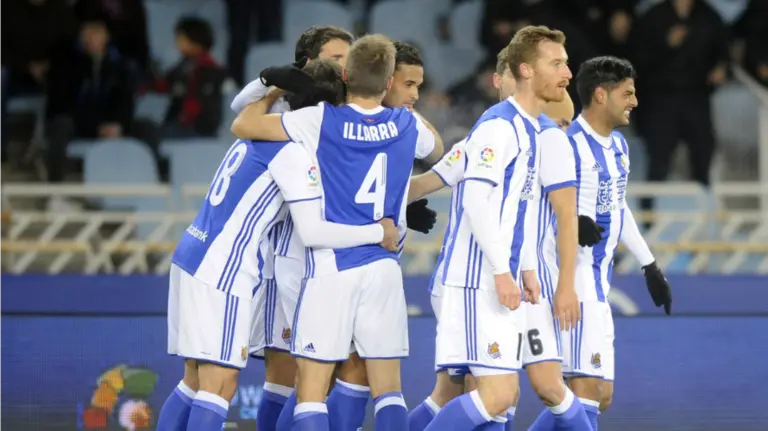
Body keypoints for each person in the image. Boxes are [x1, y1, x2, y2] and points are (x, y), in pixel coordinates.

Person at [155, 59, 401, 431]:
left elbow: (241, 108)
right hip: (222, 270)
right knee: (219, 384)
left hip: (191, 254)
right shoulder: (293, 153)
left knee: (194, 380)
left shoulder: (262, 124)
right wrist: (376, 232)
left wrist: (268, 85)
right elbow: (315, 231)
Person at [230, 35, 441, 431]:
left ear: (345, 75)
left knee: (311, 387)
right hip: (384, 266)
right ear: (389, 82)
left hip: (331, 266)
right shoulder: (406, 122)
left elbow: (243, 124)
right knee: (389, 390)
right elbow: (437, 148)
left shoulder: (321, 120)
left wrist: (276, 86)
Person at [421, 26, 585, 431]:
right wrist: (501, 269)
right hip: (477, 281)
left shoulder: (530, 129)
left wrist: (527, 267)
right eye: (558, 63)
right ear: (527, 70)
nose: (568, 73)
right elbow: (478, 202)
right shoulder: (499, 127)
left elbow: (518, 207)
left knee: (499, 399)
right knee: (496, 396)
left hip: (502, 280)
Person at [527, 56, 673, 431]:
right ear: (600, 95)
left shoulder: (619, 147)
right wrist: (572, 221)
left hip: (598, 280)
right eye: (627, 93)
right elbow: (538, 202)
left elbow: (617, 205)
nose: (634, 101)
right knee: (585, 391)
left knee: (598, 395)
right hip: (572, 279)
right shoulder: (566, 144)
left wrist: (648, 264)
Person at [45, 11, 159, 183]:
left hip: (112, 125)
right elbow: (62, 103)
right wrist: (96, 127)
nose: (92, 37)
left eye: (97, 32)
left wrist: (118, 125)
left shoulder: (119, 65)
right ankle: (55, 190)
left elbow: (125, 99)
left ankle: (155, 183)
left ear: (106, 36)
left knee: (148, 127)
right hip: (80, 124)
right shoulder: (66, 63)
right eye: (88, 32)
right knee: (60, 125)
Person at [153, 17, 227, 138]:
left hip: (199, 127)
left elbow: (202, 101)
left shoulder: (210, 69)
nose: (177, 42)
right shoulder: (184, 65)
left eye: (182, 39)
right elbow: (165, 84)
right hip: (178, 124)